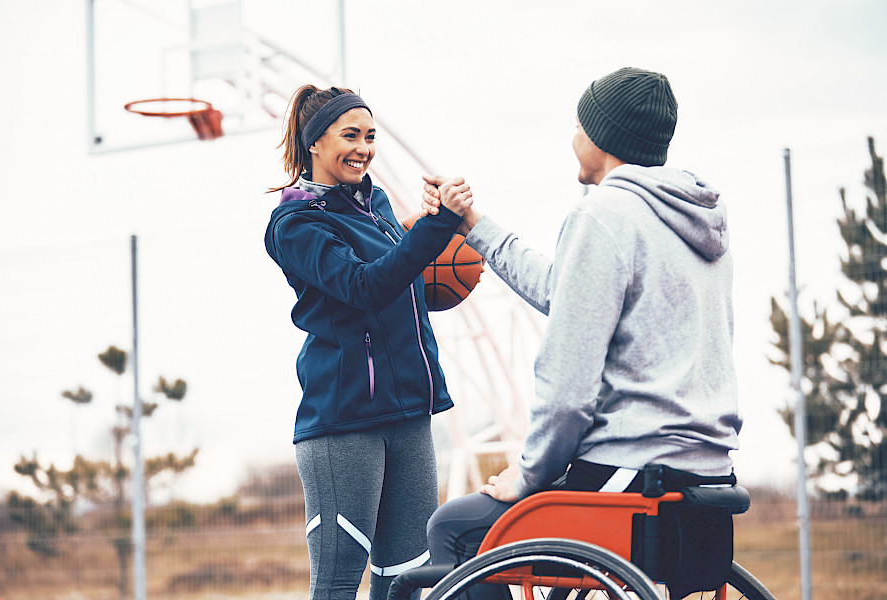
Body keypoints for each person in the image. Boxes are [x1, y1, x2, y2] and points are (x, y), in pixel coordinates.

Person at [420, 67, 742, 591]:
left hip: (636, 473)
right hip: (707, 478)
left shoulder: (605, 215)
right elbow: (561, 290)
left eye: (578, 123)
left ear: (602, 136)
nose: (572, 136)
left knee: (456, 529)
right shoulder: (698, 221)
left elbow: (567, 390)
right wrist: (473, 226)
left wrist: (528, 474)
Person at [263, 85, 472, 600]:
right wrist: (438, 225)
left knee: (406, 581)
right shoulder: (295, 223)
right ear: (314, 143)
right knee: (337, 583)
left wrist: (422, 228)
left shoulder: (373, 203)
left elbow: (398, 270)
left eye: (371, 136)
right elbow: (366, 286)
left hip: (408, 414)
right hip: (344, 420)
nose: (363, 148)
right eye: (349, 135)